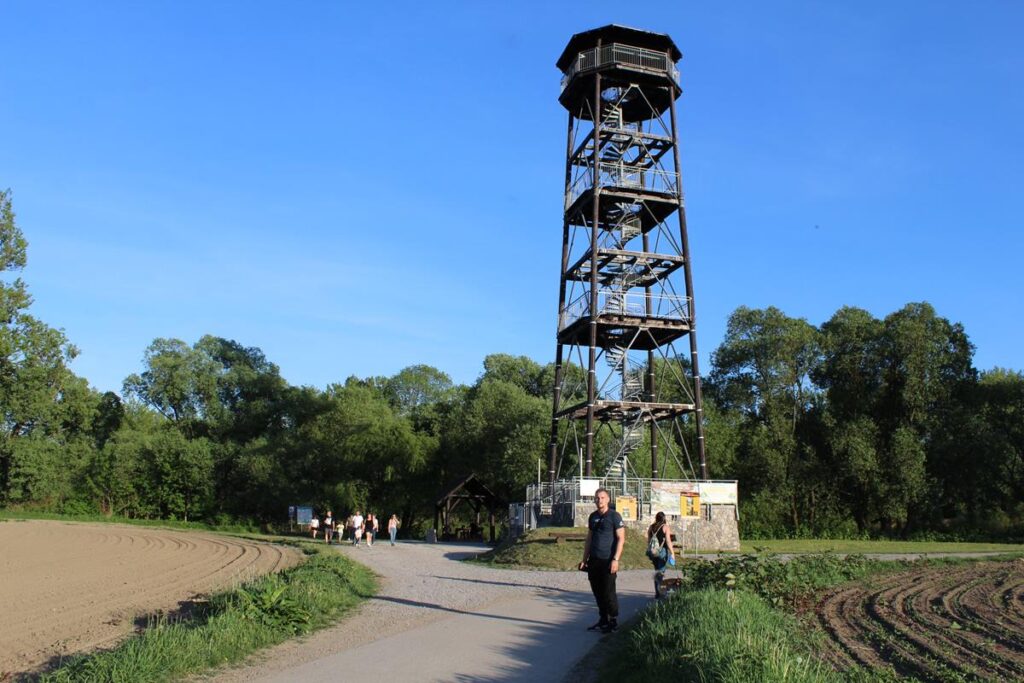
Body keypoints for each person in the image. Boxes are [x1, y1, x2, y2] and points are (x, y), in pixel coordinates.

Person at [578, 488, 625, 633]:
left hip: (608, 561)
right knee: (597, 591)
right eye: (597, 498)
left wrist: (615, 559)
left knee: (608, 591)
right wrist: (584, 560)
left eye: (603, 497)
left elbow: (621, 538)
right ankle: (603, 618)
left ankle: (613, 620)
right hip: (594, 561)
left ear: (608, 499)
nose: (600, 500)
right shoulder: (592, 517)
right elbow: (589, 539)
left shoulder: (614, 516)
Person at [646, 511, 675, 599]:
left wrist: (651, 551)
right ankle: (661, 592)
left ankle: (657, 593)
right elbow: (668, 541)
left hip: (653, 552)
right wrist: (672, 553)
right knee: (661, 573)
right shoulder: (665, 527)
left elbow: (649, 540)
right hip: (662, 552)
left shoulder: (651, 527)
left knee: (657, 572)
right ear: (664, 518)